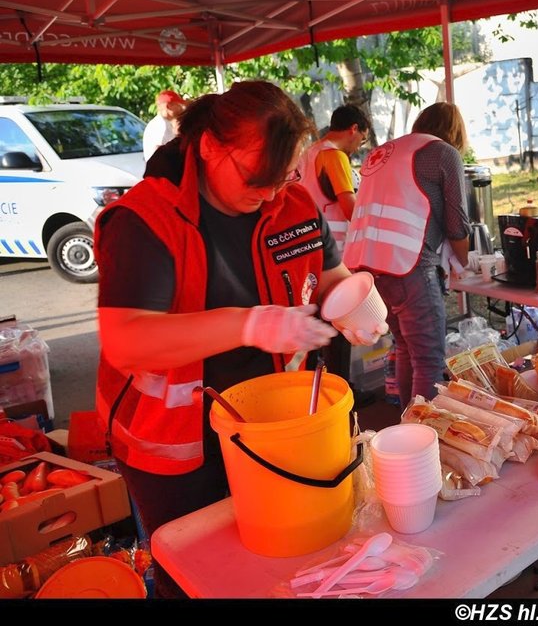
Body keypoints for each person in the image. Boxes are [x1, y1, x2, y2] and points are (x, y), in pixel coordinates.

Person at [94, 80, 386, 598]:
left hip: (275, 425)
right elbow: (127, 341)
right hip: (179, 445)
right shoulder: (145, 220)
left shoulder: (291, 202)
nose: (270, 194)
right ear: (209, 146)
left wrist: (353, 309)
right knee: (198, 573)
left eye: (285, 177)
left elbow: (331, 274)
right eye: (257, 179)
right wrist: (249, 323)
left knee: (281, 558)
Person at [343, 102, 470, 407]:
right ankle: (423, 439)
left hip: (367, 271)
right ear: (455, 131)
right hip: (409, 267)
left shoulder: (388, 151)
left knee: (405, 348)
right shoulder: (443, 153)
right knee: (428, 359)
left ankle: (406, 426)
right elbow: (457, 224)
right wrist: (464, 263)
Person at [299, 104, 371, 253]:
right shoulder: (335, 156)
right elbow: (350, 209)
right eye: (362, 139)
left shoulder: (309, 152)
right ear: (354, 129)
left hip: (307, 239)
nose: (358, 147)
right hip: (331, 247)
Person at [142, 89, 187, 161]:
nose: (182, 109)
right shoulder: (161, 126)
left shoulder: (161, 123)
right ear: (169, 106)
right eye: (179, 105)